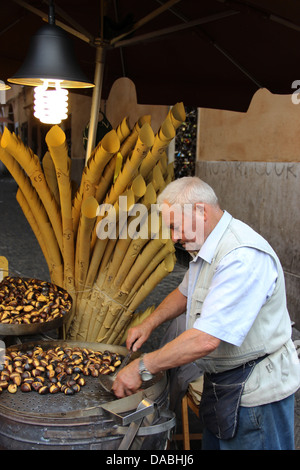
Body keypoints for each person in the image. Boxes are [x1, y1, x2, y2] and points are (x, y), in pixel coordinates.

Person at [112, 176, 300, 450]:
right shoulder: (205, 245)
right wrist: (149, 323)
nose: (174, 237)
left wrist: (142, 367)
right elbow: (185, 293)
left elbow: (206, 339)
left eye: (175, 227)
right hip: (222, 386)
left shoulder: (241, 256)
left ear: (201, 210)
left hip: (256, 397)